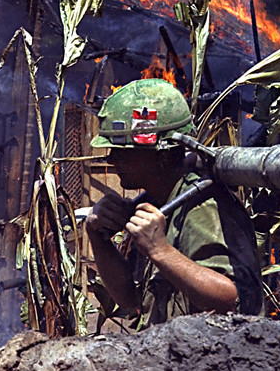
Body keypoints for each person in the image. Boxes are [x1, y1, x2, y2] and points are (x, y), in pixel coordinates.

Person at [85, 79, 263, 329]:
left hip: (211, 363)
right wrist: (98, 238)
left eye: (124, 150)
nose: (113, 159)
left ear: (162, 153)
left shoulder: (202, 206)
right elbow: (128, 299)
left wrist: (161, 251)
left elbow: (230, 299)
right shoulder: (157, 202)